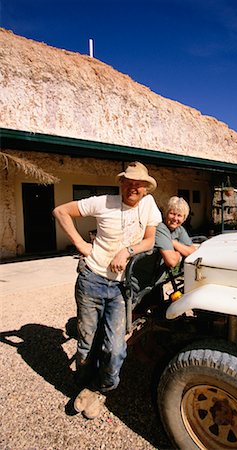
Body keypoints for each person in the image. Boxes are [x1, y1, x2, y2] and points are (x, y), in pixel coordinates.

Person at [53, 161, 162, 419]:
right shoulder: (103, 202)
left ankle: (101, 388)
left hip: (121, 287)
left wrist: (127, 250)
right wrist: (80, 244)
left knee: (114, 347)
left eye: (138, 184)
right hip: (91, 280)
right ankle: (85, 382)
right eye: (128, 182)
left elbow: (149, 240)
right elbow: (60, 211)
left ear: (146, 189)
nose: (133, 188)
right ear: (121, 183)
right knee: (86, 343)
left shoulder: (148, 205)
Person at [155, 196, 196, 268]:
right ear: (166, 214)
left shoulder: (179, 229)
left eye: (179, 215)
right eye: (172, 213)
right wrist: (180, 252)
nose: (175, 218)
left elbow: (193, 252)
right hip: (146, 277)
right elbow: (172, 262)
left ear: (184, 218)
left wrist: (174, 243)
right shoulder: (160, 228)